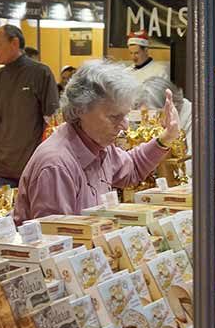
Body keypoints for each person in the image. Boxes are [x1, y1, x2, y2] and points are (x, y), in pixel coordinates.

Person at [13, 60, 179, 224]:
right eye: (114, 117)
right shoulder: (56, 165)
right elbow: (57, 239)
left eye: (126, 115)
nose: (125, 126)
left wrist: (167, 137)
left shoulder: (97, 144)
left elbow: (131, 169)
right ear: (80, 110)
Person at [0, 25, 59, 188]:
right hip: (1, 168)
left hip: (31, 166)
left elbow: (52, 122)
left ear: (14, 43)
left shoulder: (40, 73)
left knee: (34, 214)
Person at [138, 77, 193, 161]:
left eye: (154, 117)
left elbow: (190, 169)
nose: (148, 126)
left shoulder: (200, 122)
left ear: (170, 107)